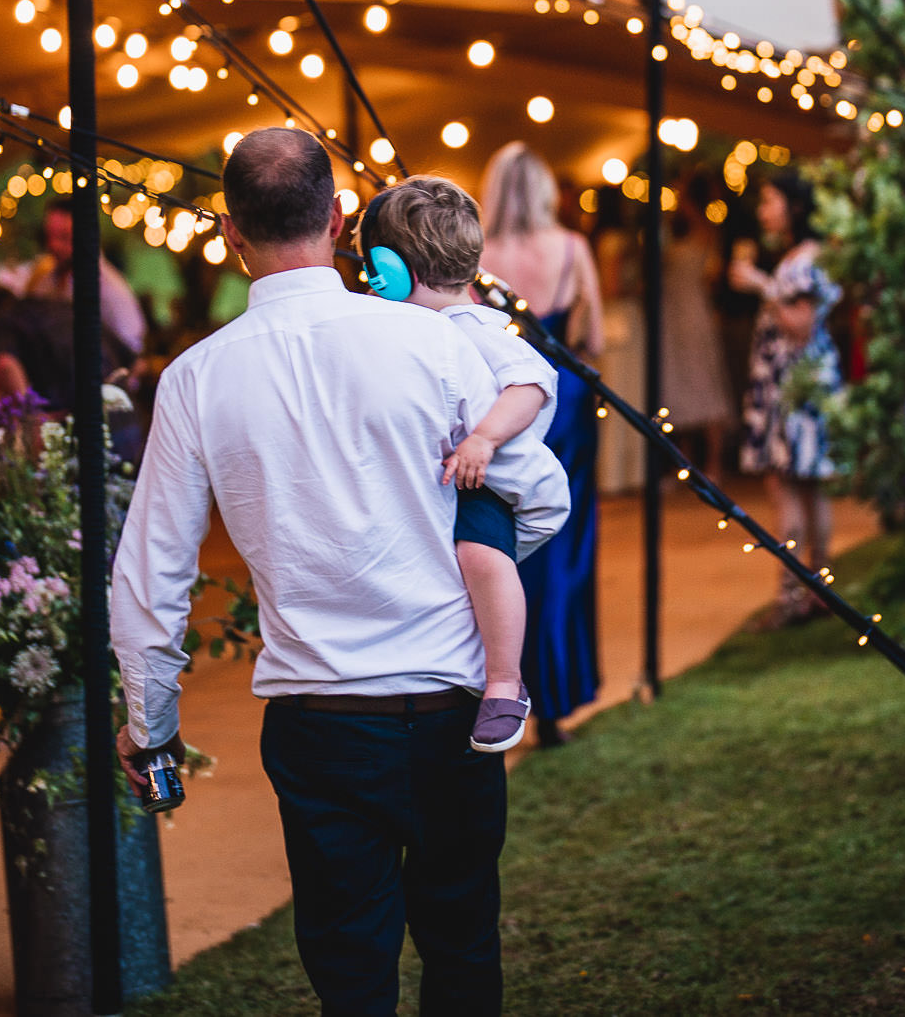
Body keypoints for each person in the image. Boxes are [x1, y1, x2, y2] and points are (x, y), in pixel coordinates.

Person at [111, 128, 569, 1017]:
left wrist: (150, 728)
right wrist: (479, 572)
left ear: (230, 233)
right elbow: (540, 493)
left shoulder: (195, 379)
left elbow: (152, 576)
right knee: (463, 946)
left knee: (350, 971)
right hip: (450, 709)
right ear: (336, 218)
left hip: (319, 723)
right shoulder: (433, 343)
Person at [359, 175, 562, 752]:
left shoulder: (472, 327)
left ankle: (505, 681)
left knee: (481, 555)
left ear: (395, 270)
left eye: (373, 265)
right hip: (449, 482)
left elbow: (533, 382)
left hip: (488, 485)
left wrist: (484, 440)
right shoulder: (415, 326)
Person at [478, 141, 604, 743]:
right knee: (565, 543)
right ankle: (555, 698)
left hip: (506, 404)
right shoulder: (573, 249)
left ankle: (506, 690)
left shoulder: (480, 255)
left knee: (507, 541)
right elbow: (595, 335)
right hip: (569, 403)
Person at [730, 171, 844, 627]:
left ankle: (793, 596)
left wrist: (759, 284)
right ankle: (816, 590)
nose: (763, 210)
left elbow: (800, 325)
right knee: (808, 487)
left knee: (788, 488)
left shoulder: (807, 259)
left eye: (770, 200)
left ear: (794, 207)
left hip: (798, 386)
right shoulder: (804, 256)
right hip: (799, 383)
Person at [661, 177, 738, 470]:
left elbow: (713, 277)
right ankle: (686, 462)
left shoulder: (707, 233)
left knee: (705, 384)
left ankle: (713, 463)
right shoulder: (673, 232)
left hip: (695, 315)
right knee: (678, 387)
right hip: (673, 316)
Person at [20, 200, 147, 369]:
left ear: (86, 235)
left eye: (64, 237)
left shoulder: (108, 286)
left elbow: (133, 348)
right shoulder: (45, 279)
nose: (53, 245)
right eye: (49, 237)